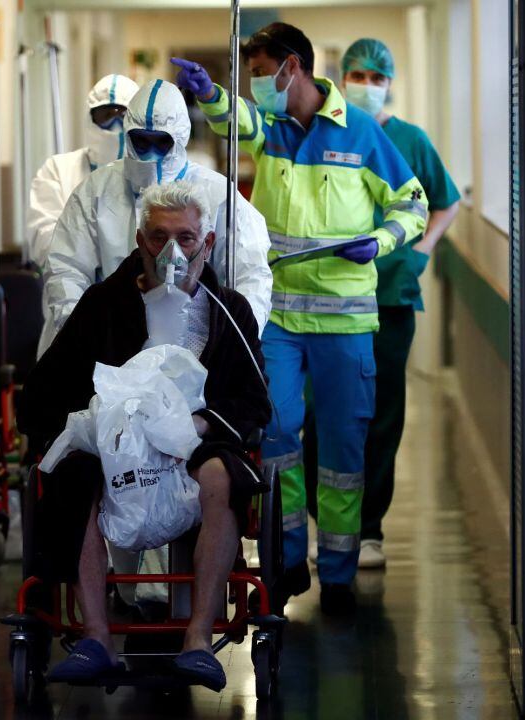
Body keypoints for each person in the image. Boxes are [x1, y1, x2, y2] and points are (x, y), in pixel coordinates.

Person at [173, 22, 428, 615]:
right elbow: (236, 120)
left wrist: (382, 241)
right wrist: (210, 94)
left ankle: (337, 572)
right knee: (279, 437)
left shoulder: (362, 134)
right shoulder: (274, 129)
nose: (257, 84)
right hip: (281, 319)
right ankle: (284, 563)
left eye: (262, 72)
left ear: (294, 68)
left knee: (342, 449)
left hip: (344, 325)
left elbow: (411, 202)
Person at [19, 181, 272, 692]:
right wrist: (101, 419)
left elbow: (255, 403)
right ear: (139, 240)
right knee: (74, 474)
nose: (172, 251)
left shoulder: (229, 312)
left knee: (222, 474)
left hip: (199, 444)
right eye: (159, 237)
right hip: (115, 447)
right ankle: (95, 637)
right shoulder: (103, 306)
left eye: (186, 236)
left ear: (210, 242)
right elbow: (42, 396)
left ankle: (198, 640)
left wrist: (200, 423)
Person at [301, 38, 461, 570]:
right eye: (358, 75)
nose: (366, 84)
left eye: (376, 77)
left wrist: (420, 253)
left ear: (390, 82)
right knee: (321, 410)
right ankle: (327, 521)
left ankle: (369, 528)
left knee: (381, 414)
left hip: (390, 296)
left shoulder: (410, 140)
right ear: (340, 77)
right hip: (328, 301)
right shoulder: (324, 133)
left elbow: (446, 201)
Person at [39, 79, 273, 355]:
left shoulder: (218, 195)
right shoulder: (97, 190)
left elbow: (251, 275)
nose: (150, 152)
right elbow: (67, 268)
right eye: (141, 140)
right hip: (114, 340)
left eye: (161, 142)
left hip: (200, 343)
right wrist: (83, 336)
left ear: (180, 138)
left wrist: (232, 344)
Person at [26, 73, 139, 267]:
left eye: (124, 116)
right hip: (75, 292)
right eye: (106, 116)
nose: (115, 126)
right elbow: (45, 244)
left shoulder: (152, 174)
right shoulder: (58, 170)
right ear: (90, 117)